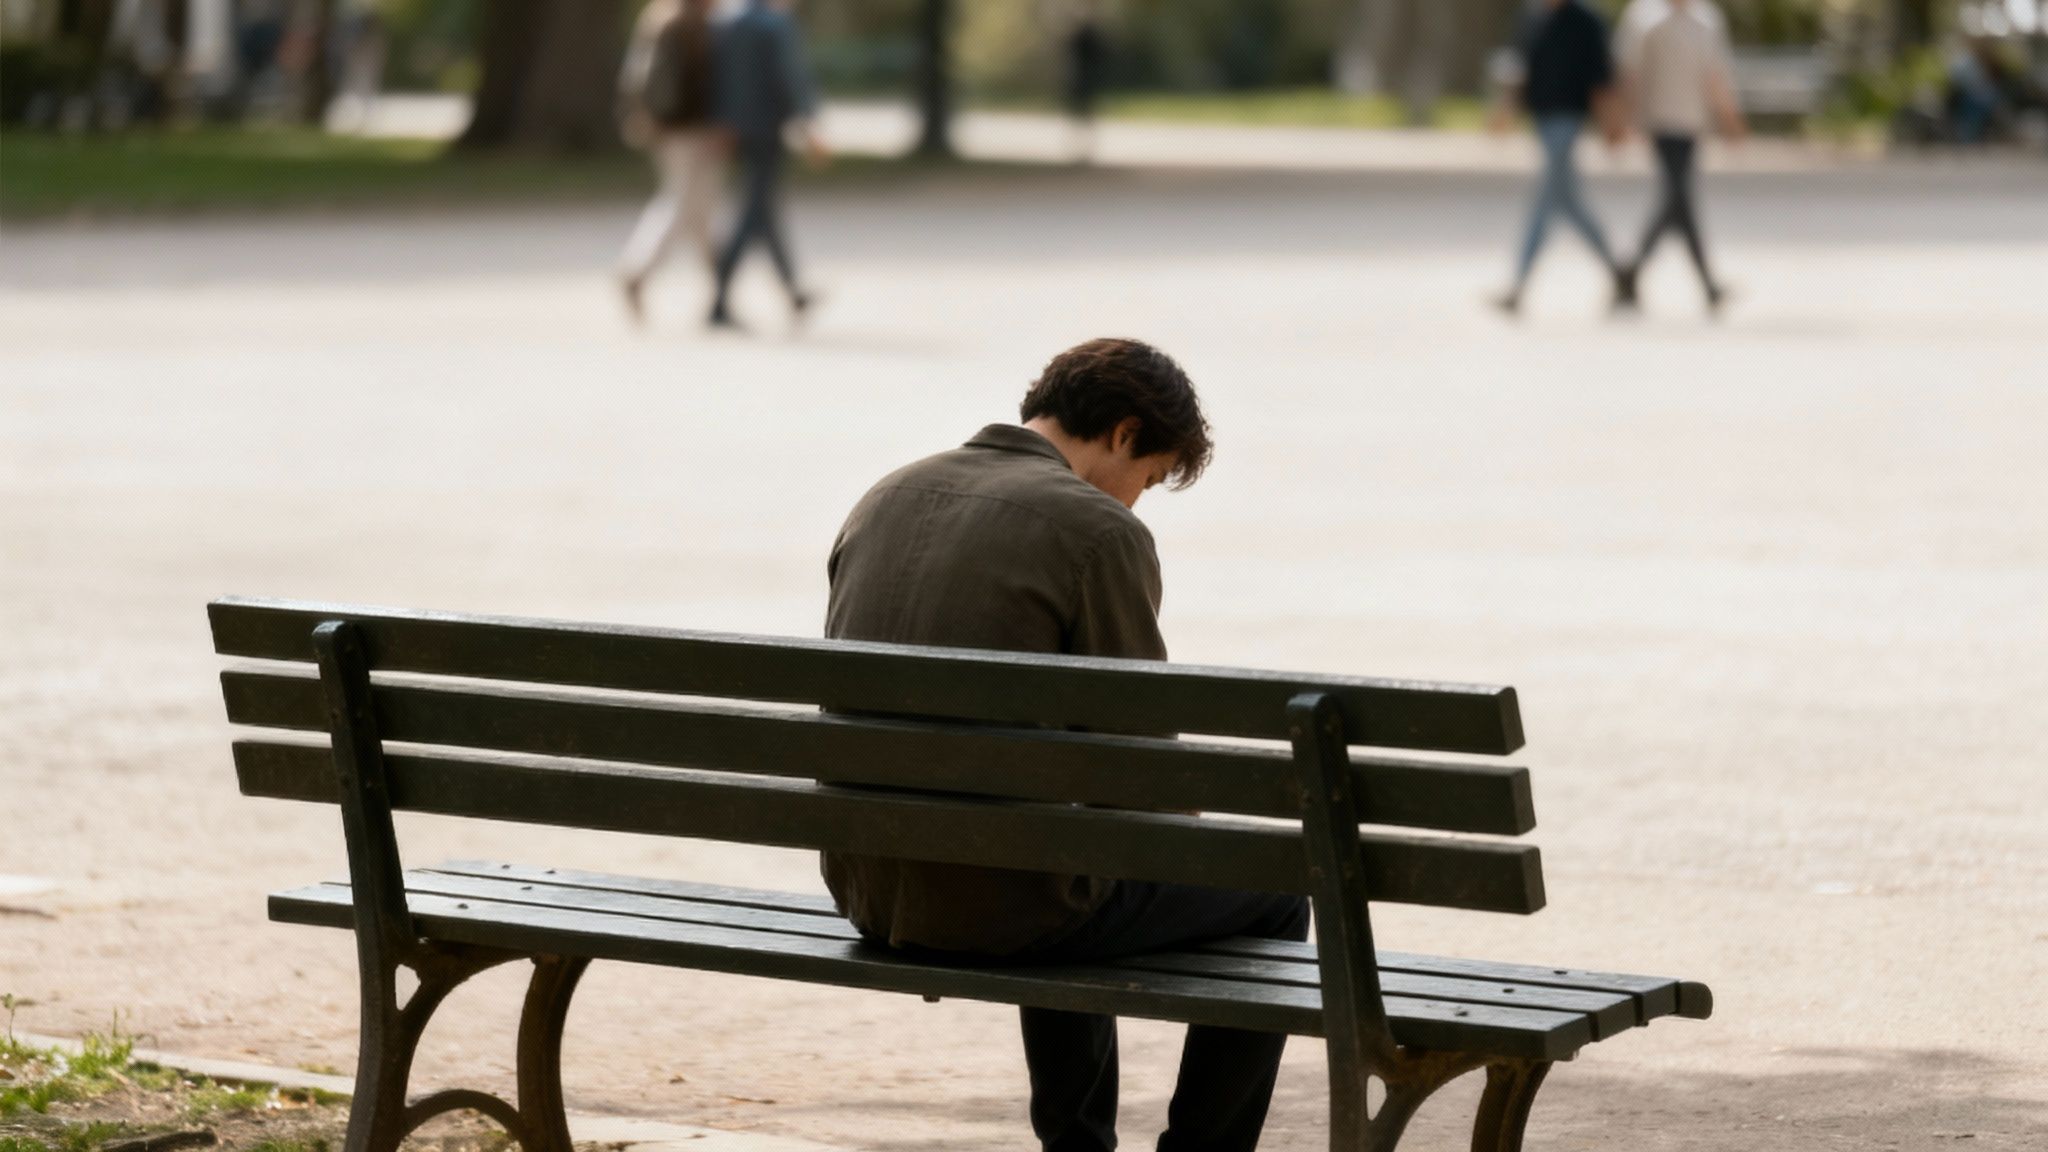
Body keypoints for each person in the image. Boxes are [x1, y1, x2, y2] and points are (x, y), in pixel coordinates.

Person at [821, 338, 1309, 1152]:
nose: (1137, 502)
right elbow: (1141, 763)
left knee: (1064, 841)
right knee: (1275, 886)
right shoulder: (1096, 531)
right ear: (1123, 433)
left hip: (869, 890)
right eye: (1148, 479)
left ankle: (1077, 1144)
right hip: (998, 906)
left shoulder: (886, 495)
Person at [1491, 0, 1628, 316]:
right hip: (1541, 120)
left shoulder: (1586, 22)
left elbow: (1601, 79)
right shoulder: (1532, 16)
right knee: (1569, 204)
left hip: (1567, 122)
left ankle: (1518, 285)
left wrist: (1611, 124)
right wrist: (1505, 110)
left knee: (1544, 202)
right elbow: (1521, 69)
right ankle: (1618, 271)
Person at [1615, 0, 1744, 314]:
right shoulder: (1644, 18)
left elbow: (1715, 75)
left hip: (1691, 123)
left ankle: (1632, 272)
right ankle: (1707, 285)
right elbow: (1629, 72)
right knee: (1679, 198)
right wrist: (1623, 118)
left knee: (1678, 202)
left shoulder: (1707, 21)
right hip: (1660, 122)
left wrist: (1729, 119)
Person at [708, 0, 828, 331]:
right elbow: (790, 76)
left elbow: (715, 77)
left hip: (735, 130)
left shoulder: (724, 20)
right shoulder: (775, 24)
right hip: (766, 129)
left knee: (762, 210)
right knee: (754, 214)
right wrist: (809, 124)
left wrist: (720, 122)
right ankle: (718, 297)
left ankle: (792, 291)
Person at [616, 0, 726, 327]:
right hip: (690, 130)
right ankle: (638, 271)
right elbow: (701, 85)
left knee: (698, 209)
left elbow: (634, 79)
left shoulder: (657, 20)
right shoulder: (689, 27)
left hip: (667, 129)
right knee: (684, 205)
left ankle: (721, 290)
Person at [1065, 3, 1110, 163]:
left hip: (1083, 78)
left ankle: (1084, 146)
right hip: (1083, 78)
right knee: (1082, 113)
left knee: (1083, 113)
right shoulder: (1086, 36)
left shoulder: (1083, 36)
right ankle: (1081, 146)